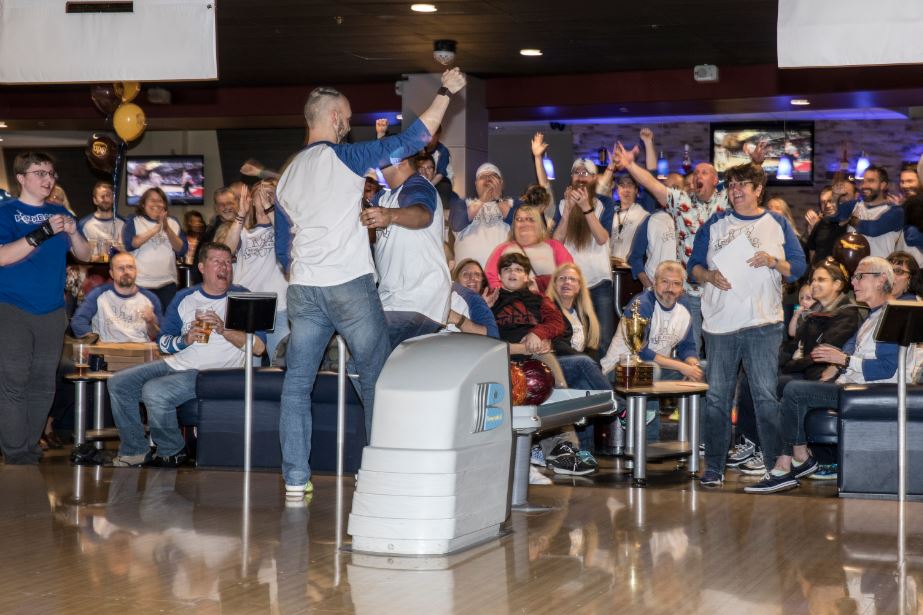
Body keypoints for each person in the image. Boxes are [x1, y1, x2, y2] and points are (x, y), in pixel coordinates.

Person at [275, 68, 467, 497]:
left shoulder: (287, 175)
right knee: (375, 376)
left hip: (304, 289)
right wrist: (445, 93)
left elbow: (282, 250)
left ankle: (294, 480)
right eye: (346, 117)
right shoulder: (345, 158)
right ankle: (379, 470)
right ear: (335, 118)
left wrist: (305, 273)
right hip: (349, 286)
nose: (348, 124)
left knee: (296, 386)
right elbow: (416, 139)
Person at [745, 257, 913, 493]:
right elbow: (854, 352)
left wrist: (842, 361)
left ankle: (795, 461)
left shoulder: (892, 315)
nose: (853, 283)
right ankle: (787, 464)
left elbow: (886, 368)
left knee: (794, 391)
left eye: (859, 276)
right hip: (855, 386)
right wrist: (837, 364)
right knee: (792, 392)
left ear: (881, 279)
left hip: (873, 391)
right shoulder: (874, 314)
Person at [688, 162, 807, 487]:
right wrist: (708, 275)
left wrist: (773, 261)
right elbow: (693, 267)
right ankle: (713, 468)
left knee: (765, 397)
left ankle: (777, 469)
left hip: (763, 324)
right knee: (717, 400)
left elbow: (797, 267)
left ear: (758, 190)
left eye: (743, 185)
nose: (736, 190)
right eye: (732, 185)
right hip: (719, 325)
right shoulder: (714, 224)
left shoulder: (777, 223)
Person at [107, 243, 266, 468]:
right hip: (177, 363)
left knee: (155, 391)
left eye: (228, 262)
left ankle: (172, 451)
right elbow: (163, 342)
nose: (225, 267)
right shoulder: (185, 297)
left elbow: (259, 348)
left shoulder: (242, 297)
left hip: (215, 372)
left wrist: (225, 330)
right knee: (119, 382)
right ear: (201, 266)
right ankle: (136, 449)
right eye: (217, 262)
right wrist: (185, 340)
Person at [613, 140, 767, 356]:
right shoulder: (680, 201)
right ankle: (694, 389)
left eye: (704, 172)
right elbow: (652, 185)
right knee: (692, 349)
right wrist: (630, 165)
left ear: (716, 180)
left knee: (720, 350)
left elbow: (746, 183)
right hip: (691, 291)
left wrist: (756, 163)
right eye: (696, 173)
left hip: (722, 290)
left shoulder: (727, 198)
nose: (697, 176)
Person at [732, 259, 862, 476]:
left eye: (821, 280)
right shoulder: (813, 311)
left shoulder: (846, 313)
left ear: (838, 285)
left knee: (775, 386)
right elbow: (796, 345)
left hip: (821, 375)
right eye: (813, 280)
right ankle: (752, 444)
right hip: (802, 369)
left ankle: (770, 453)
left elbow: (818, 352)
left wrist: (791, 361)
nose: (814, 284)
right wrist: (779, 360)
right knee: (754, 378)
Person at [0, 152, 91, 464]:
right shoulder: (6, 211)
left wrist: (73, 232)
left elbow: (86, 254)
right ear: (21, 178)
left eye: (51, 173)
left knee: (43, 383)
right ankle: (15, 452)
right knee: (14, 381)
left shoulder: (58, 210)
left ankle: (28, 447)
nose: (47, 179)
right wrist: (42, 233)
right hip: (11, 306)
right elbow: (2, 256)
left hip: (51, 310)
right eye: (39, 173)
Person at [489, 253, 595, 477]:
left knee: (558, 392)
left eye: (518, 269)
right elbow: (481, 332)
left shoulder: (537, 300)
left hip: (537, 353)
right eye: (507, 269)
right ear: (499, 275)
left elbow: (557, 323)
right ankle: (526, 449)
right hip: (502, 354)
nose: (512, 273)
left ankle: (563, 449)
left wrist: (539, 332)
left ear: (527, 277)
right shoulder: (491, 300)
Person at [601, 261, 703, 441]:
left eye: (676, 283)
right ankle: (647, 441)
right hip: (618, 369)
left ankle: (697, 440)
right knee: (650, 370)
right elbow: (642, 352)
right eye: (665, 282)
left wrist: (692, 363)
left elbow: (688, 347)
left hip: (655, 367)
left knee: (704, 369)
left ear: (681, 288)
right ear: (654, 282)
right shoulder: (642, 304)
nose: (670, 288)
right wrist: (682, 368)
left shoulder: (684, 309)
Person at [361, 152, 451, 349]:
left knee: (370, 360)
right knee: (377, 365)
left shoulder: (416, 185)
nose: (377, 164)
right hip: (395, 299)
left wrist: (391, 216)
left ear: (399, 161)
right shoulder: (384, 196)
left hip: (416, 297)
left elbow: (422, 215)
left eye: (382, 158)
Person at [550, 153, 617, 352]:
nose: (581, 177)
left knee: (602, 339)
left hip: (599, 282)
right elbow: (556, 242)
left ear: (595, 178)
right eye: (576, 172)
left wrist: (586, 207)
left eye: (586, 173)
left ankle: (602, 382)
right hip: (570, 284)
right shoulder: (563, 205)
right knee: (574, 339)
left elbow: (602, 238)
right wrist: (569, 210)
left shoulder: (605, 203)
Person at [220, 180, 291, 363]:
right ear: (251, 200)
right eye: (260, 192)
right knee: (249, 368)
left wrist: (271, 207)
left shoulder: (286, 229)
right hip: (248, 306)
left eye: (271, 192)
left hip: (279, 307)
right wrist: (241, 215)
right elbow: (225, 251)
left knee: (280, 363)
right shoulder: (244, 232)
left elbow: (286, 236)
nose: (266, 195)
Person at [70, 252, 162, 342]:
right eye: (120, 268)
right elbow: (78, 322)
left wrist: (151, 323)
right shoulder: (98, 294)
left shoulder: (150, 298)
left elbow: (160, 336)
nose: (126, 271)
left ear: (136, 270)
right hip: (107, 353)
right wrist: (96, 343)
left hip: (140, 353)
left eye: (130, 267)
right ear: (111, 273)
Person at [123, 187, 188, 312]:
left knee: (165, 323)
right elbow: (130, 244)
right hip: (141, 283)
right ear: (143, 204)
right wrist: (156, 229)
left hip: (167, 283)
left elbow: (182, 250)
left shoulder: (173, 222)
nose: (156, 204)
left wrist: (167, 228)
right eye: (152, 200)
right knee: (142, 323)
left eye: (160, 201)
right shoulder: (134, 220)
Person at [484, 205, 574, 293]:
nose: (524, 223)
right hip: (513, 304)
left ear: (539, 224)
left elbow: (569, 275)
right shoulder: (502, 249)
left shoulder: (554, 246)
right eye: (519, 219)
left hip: (547, 304)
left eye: (530, 219)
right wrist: (509, 298)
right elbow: (491, 278)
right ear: (514, 224)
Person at [450, 162, 518, 267]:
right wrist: (482, 200)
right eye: (483, 176)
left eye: (493, 176)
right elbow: (457, 224)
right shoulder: (463, 203)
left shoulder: (513, 203)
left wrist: (498, 198)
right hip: (468, 276)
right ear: (476, 184)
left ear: (501, 183)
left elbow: (518, 223)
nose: (488, 179)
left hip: (503, 275)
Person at [829, 166, 902, 258]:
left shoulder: (896, 211)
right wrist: (835, 196)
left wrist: (850, 219)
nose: (864, 186)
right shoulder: (853, 205)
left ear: (883, 185)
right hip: (852, 268)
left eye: (871, 181)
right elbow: (832, 217)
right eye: (863, 181)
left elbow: (873, 229)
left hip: (879, 270)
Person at [448, 259, 498, 337]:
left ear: (482, 281)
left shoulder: (481, 303)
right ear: (456, 279)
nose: (472, 278)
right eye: (466, 274)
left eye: (477, 275)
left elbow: (493, 338)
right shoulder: (449, 293)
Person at [78, 181, 125, 254]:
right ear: (95, 200)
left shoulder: (123, 223)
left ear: (113, 199)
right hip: (93, 265)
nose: (105, 199)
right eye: (102, 196)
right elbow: (79, 254)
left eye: (108, 195)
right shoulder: (84, 225)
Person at [804, 186, 846, 265]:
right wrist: (813, 231)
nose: (827, 205)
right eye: (823, 202)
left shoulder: (847, 223)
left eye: (830, 201)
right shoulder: (820, 225)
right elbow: (812, 253)